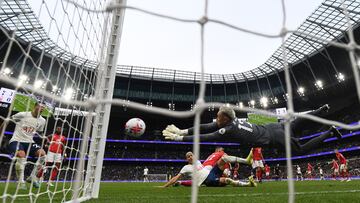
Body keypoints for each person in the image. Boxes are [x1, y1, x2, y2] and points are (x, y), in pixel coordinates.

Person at [162, 105, 342, 155]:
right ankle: (319, 110)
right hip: (276, 126)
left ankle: (330, 132)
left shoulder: (228, 130)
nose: (216, 119)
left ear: (225, 118)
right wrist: (183, 131)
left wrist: (179, 139)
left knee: (301, 149)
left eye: (218, 116)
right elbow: (207, 126)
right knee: (297, 123)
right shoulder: (233, 121)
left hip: (274, 137)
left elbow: (206, 136)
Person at [6, 101, 47, 189]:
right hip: (16, 140)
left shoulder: (43, 121)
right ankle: (21, 182)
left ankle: (32, 177)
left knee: (43, 155)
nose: (42, 109)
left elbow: (40, 132)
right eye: (40, 106)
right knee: (21, 156)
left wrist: (44, 137)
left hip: (29, 142)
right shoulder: (22, 114)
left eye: (43, 108)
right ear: (35, 106)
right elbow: (8, 120)